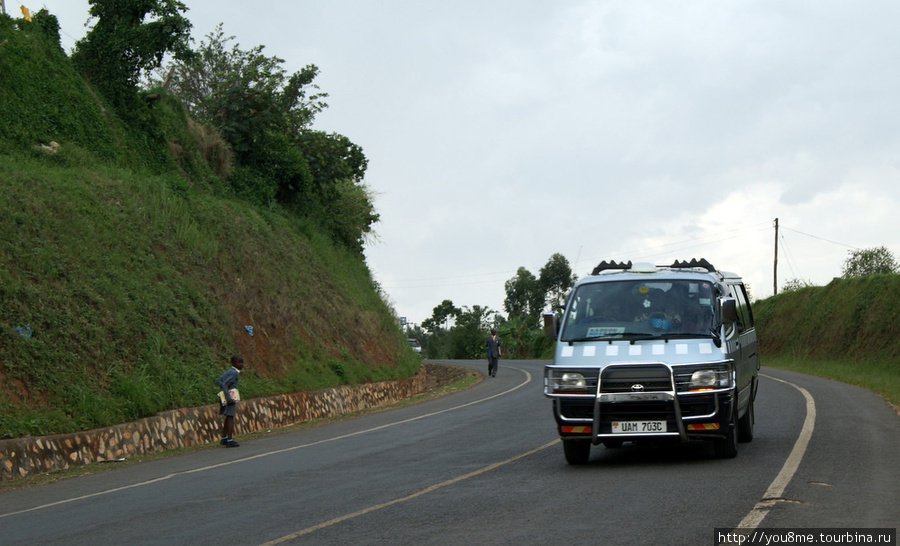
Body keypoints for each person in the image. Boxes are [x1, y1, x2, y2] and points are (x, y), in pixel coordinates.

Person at [216, 354, 245, 448]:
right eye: (239, 362)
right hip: (229, 397)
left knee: (228, 417)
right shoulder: (234, 373)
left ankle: (224, 438)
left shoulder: (229, 371)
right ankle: (229, 440)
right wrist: (228, 397)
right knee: (230, 417)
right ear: (233, 363)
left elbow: (219, 381)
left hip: (223, 396)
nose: (241, 364)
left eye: (242, 362)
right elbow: (225, 384)